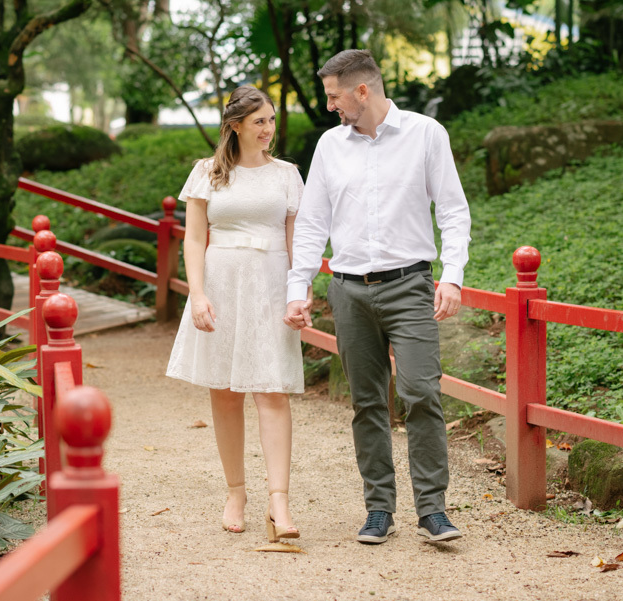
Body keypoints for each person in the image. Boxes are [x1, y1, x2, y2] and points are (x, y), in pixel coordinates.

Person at [284, 50, 471, 545]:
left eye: (333, 96)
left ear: (361, 91)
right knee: (367, 403)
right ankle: (379, 510)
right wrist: (298, 288)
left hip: (410, 285)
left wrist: (452, 276)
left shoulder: (425, 134)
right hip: (347, 291)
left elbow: (452, 209)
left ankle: (432, 511)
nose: (329, 106)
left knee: (421, 394)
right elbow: (311, 224)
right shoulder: (329, 145)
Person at [166, 85, 304, 543]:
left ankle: (279, 501)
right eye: (259, 121)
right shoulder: (207, 173)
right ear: (236, 126)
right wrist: (198, 294)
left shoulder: (286, 174)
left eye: (271, 120)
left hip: (270, 282)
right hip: (221, 283)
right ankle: (236, 492)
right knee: (225, 392)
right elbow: (193, 238)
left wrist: (297, 295)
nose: (268, 129)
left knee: (272, 391)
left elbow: (295, 240)